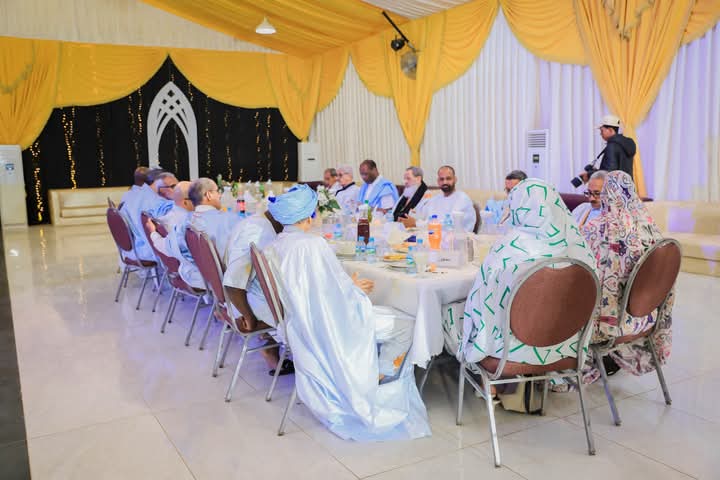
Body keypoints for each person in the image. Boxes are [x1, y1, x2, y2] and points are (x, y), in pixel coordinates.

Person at [264, 184, 430, 441]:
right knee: (407, 323)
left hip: (299, 324)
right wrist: (354, 291)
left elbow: (313, 289)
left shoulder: (276, 243)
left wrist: (346, 286)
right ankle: (375, 384)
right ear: (308, 215)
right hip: (326, 327)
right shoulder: (311, 244)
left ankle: (373, 377)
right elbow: (328, 302)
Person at [456, 178, 597, 366]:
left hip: (509, 351)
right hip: (567, 347)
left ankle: (476, 381)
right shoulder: (580, 246)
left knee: (454, 312)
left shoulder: (507, 248)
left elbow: (483, 303)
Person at [581, 171, 673, 381]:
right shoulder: (650, 228)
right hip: (646, 316)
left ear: (606, 194)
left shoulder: (598, 229)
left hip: (611, 325)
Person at [223, 210, 292, 375]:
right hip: (246, 304)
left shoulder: (255, 221)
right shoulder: (259, 233)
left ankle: (271, 347)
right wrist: (248, 316)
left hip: (244, 297)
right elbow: (232, 282)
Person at [144, 181, 204, 289]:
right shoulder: (188, 224)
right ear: (185, 202)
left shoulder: (168, 216)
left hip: (183, 270)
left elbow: (162, 245)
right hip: (199, 276)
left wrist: (153, 233)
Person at [400, 166, 476, 233]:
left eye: (448, 178)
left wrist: (416, 224)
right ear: (438, 181)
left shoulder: (462, 199)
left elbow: (449, 226)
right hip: (434, 237)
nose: (445, 182)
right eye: (441, 179)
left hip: (457, 240)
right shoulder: (435, 199)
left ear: (455, 179)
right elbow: (422, 214)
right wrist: (408, 217)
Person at [120, 169, 173, 260]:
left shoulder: (130, 195)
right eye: (172, 186)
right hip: (150, 250)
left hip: (132, 246)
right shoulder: (156, 202)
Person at [186, 178, 241, 262]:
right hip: (226, 268)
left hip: (196, 267)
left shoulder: (184, 221)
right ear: (209, 195)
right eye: (217, 191)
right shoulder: (229, 219)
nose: (220, 195)